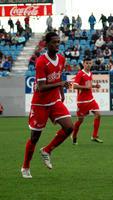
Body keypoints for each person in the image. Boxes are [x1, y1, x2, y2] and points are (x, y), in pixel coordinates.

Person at [21, 32, 74, 179]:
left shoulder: (62, 59)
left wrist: (61, 92)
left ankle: (47, 150)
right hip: (40, 104)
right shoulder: (41, 62)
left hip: (54, 101)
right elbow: (41, 87)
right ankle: (25, 167)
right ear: (47, 44)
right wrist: (60, 84)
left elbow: (59, 76)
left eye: (58, 42)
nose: (57, 45)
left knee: (69, 127)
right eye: (54, 42)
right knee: (34, 137)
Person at [71, 57, 103, 144]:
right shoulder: (80, 74)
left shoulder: (90, 73)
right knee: (80, 121)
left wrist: (94, 86)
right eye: (87, 63)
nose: (88, 65)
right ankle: (74, 135)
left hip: (91, 99)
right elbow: (75, 86)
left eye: (90, 63)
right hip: (82, 102)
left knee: (98, 114)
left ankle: (94, 136)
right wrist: (86, 87)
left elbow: (88, 85)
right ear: (83, 63)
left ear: (91, 64)